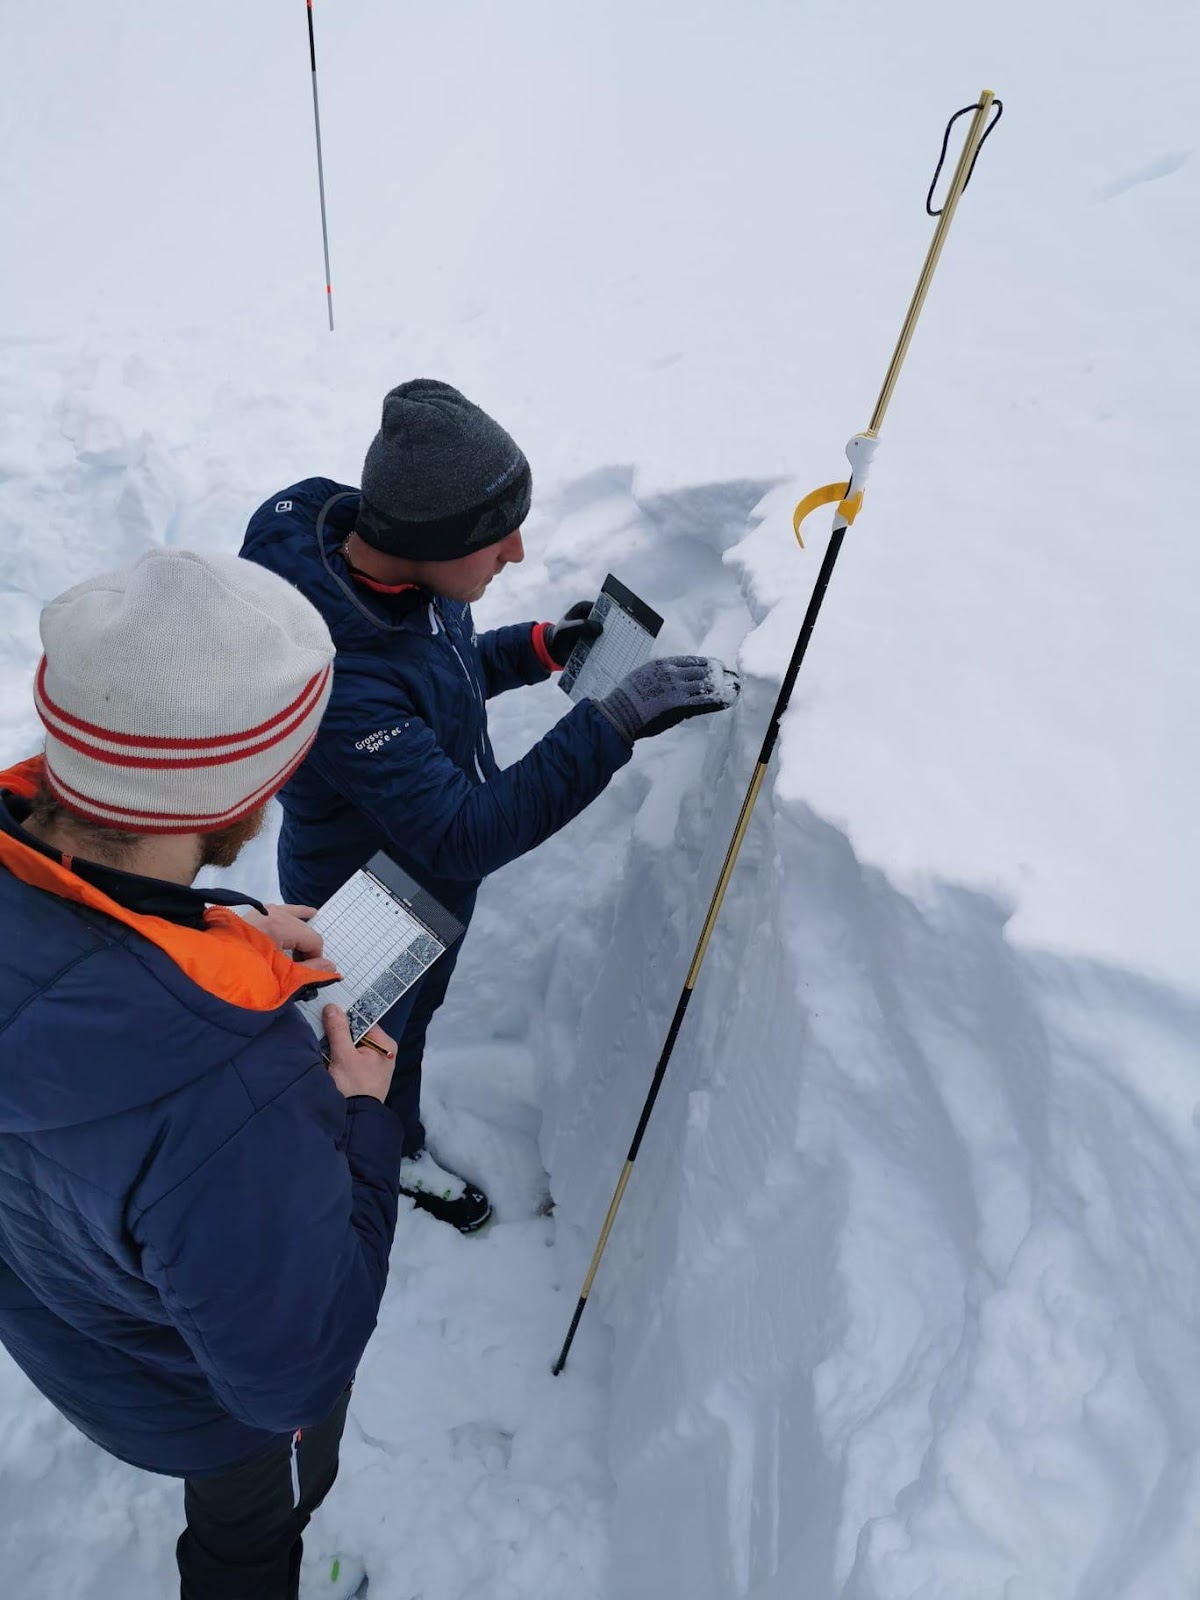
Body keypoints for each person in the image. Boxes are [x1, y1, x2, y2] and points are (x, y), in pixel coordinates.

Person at [241, 379, 740, 1232]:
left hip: (424, 880)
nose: (514, 552)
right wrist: (616, 720)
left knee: (412, 1023)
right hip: (367, 900)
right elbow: (466, 835)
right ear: (428, 540)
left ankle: (392, 1144)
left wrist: (542, 647)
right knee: (351, 1045)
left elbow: (442, 667)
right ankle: (344, 1185)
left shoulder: (398, 577)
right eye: (493, 536)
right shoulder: (344, 680)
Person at [0, 549, 404, 1600]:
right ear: (251, 792)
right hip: (196, 1404)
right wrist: (361, 1116)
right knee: (249, 1530)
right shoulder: (235, 1100)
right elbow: (294, 1374)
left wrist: (220, 933)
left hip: (52, 1313)